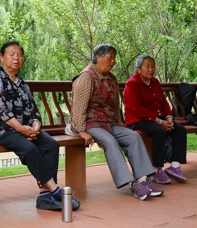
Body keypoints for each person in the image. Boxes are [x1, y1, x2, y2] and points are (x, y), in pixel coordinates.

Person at [0, 41, 80, 211]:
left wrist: (35, 126)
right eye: (12, 54)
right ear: (1, 57)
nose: (16, 58)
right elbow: (0, 109)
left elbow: (33, 109)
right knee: (29, 149)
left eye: (19, 55)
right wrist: (21, 129)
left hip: (23, 130)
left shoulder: (22, 83)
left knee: (51, 145)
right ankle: (54, 190)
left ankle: (45, 196)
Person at [69, 44, 163, 200]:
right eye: (110, 57)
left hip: (110, 123)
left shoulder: (111, 78)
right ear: (98, 57)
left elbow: (115, 106)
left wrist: (121, 125)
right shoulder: (86, 77)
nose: (113, 61)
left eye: (114, 58)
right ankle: (132, 184)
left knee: (134, 137)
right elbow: (78, 107)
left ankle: (143, 179)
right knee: (110, 141)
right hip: (90, 123)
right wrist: (81, 131)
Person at [123, 55, 188, 184]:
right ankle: (157, 170)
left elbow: (163, 102)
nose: (151, 69)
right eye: (147, 67)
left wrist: (169, 117)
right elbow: (137, 109)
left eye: (153, 67)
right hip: (137, 120)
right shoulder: (132, 83)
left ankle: (175, 166)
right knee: (159, 131)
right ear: (138, 68)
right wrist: (159, 121)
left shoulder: (155, 82)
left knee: (179, 130)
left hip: (156, 118)